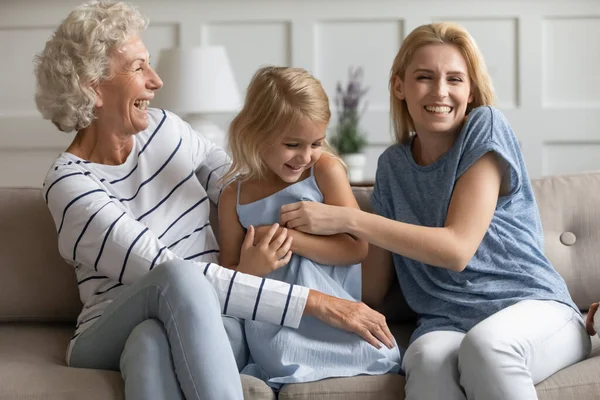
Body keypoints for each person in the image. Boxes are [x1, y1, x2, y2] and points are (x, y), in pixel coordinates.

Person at [34, 2, 394, 399]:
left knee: (149, 342)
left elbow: (244, 188)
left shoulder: (167, 129)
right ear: (92, 86)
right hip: (107, 329)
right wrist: (319, 303)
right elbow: (163, 272)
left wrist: (317, 178)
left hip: (212, 319)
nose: (155, 81)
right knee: (177, 277)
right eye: (138, 68)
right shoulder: (70, 184)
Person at [279, 22, 591, 400]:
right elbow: (375, 289)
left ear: (471, 89)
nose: (440, 92)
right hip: (446, 322)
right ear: (399, 86)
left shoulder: (485, 127)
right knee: (425, 360)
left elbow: (457, 249)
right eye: (424, 77)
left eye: (455, 79)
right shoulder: (392, 165)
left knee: (488, 347)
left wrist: (349, 218)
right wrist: (308, 224)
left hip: (533, 308)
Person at [218, 66, 401, 389]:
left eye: (316, 142)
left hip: (335, 318)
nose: (305, 156)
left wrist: (293, 240)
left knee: (378, 353)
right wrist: (250, 267)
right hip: (274, 326)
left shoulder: (325, 171)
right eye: (292, 144)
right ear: (256, 132)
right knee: (277, 355)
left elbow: (357, 248)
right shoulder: (234, 196)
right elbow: (228, 274)